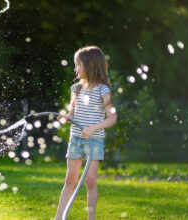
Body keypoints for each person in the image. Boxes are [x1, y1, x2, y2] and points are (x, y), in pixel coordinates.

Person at [54, 45, 117, 220]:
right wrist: (66, 117)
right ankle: (58, 217)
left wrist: (92, 128)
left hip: (94, 141)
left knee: (90, 180)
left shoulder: (103, 90)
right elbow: (72, 112)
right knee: (70, 180)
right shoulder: (76, 89)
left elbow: (112, 118)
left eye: (78, 65)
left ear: (90, 66)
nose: (75, 69)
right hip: (76, 139)